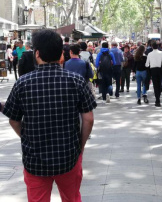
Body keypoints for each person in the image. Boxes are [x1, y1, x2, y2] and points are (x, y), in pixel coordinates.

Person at [2, 29, 96, 201]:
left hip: (35, 160)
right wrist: (80, 147)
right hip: (69, 157)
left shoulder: (22, 83)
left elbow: (13, 119)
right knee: (72, 198)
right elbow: (88, 119)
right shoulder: (76, 81)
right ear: (61, 54)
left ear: (36, 53)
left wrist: (25, 136)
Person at [146, 41, 162, 107]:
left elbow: (146, 64)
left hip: (153, 70)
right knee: (159, 84)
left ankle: (157, 99)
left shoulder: (149, 54)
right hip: (160, 69)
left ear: (152, 47)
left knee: (155, 85)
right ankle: (158, 98)